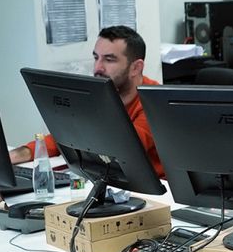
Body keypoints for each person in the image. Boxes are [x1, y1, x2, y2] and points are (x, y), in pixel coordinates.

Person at [10, 25, 165, 178]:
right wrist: (16, 155)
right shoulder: (101, 93)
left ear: (136, 68)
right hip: (112, 180)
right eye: (96, 58)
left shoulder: (155, 102)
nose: (98, 68)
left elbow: (126, 148)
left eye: (109, 60)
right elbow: (64, 136)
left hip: (156, 189)